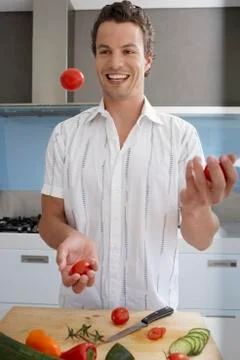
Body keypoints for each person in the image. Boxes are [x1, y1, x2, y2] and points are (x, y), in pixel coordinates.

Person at [39, 1, 238, 310]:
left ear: (147, 60)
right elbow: (49, 220)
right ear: (95, 59)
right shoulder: (65, 136)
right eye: (105, 51)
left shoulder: (181, 136)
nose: (115, 63)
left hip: (154, 321)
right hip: (80, 319)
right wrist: (69, 236)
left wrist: (197, 208)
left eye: (128, 51)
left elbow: (201, 239)